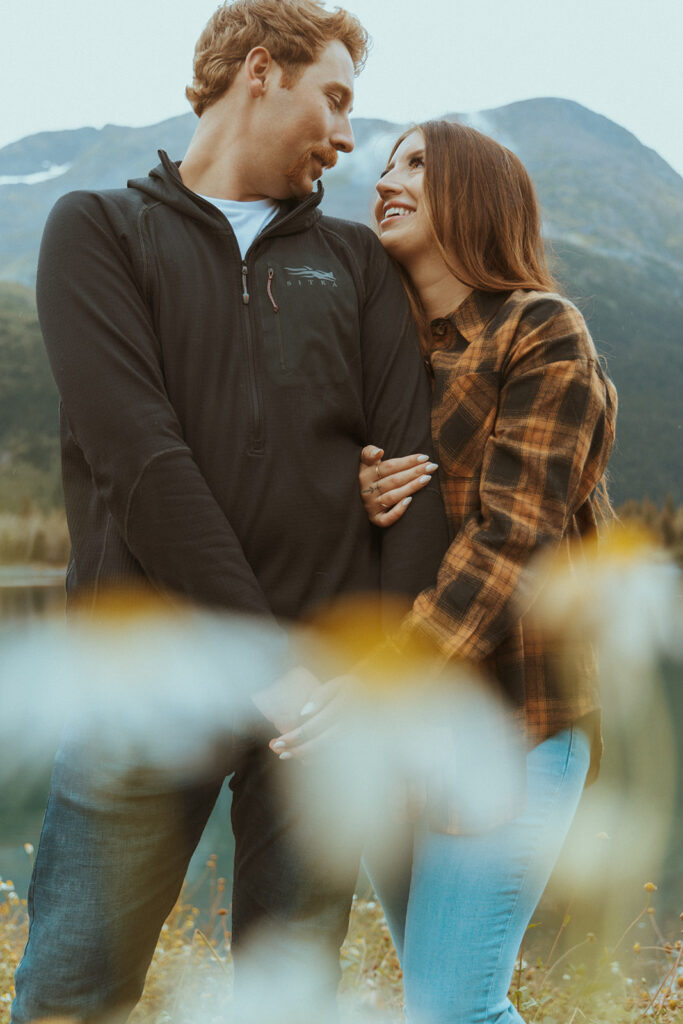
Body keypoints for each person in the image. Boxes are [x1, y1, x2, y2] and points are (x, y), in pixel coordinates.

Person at [11, 4, 450, 1022]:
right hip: (142, 686)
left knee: (282, 1000)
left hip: (323, 705)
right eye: (334, 99)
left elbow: (413, 475)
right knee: (73, 990)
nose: (347, 137)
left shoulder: (354, 264)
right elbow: (142, 460)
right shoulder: (97, 231)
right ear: (260, 70)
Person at [272, 120, 617, 1023]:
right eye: (384, 164)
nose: (386, 177)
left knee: (451, 1005)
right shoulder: (378, 350)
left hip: (514, 719)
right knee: (437, 999)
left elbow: (514, 538)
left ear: (476, 193)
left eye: (416, 163)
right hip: (396, 739)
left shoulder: (539, 331)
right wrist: (349, 485)